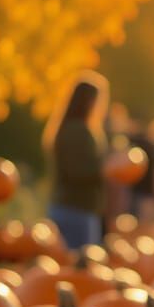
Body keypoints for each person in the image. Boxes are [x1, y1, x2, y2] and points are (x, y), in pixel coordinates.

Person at [43, 72, 110, 250]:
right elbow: (79, 171)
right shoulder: (78, 131)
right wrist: (107, 169)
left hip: (68, 206)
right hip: (76, 209)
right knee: (79, 266)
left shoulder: (68, 128)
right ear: (89, 102)